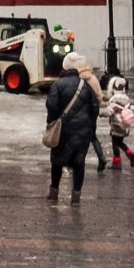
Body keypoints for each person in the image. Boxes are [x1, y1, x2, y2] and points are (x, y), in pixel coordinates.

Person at [44, 53, 98, 204]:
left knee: (57, 161)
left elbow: (52, 106)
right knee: (79, 163)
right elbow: (95, 108)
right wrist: (90, 126)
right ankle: (76, 197)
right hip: (83, 132)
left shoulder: (58, 85)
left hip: (62, 131)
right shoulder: (85, 86)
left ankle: (54, 192)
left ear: (64, 66)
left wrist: (51, 123)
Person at [76, 55, 109, 173]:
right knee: (92, 136)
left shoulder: (78, 79)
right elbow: (100, 96)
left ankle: (76, 161)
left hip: (81, 110)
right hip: (93, 111)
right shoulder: (94, 78)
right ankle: (101, 158)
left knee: (78, 135)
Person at [106, 75, 134, 170]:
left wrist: (102, 114)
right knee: (120, 142)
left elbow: (110, 111)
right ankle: (130, 154)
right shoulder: (127, 98)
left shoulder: (113, 99)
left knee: (115, 143)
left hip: (116, 125)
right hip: (125, 124)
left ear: (114, 88)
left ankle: (117, 163)